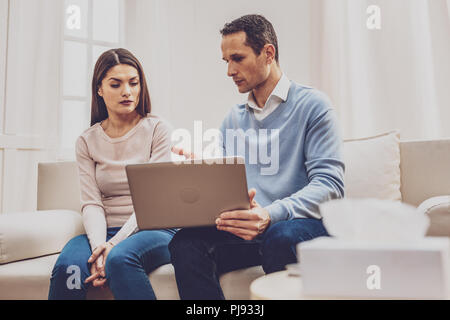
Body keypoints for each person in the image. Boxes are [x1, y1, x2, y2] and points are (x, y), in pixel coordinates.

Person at [169, 14, 345, 300]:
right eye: (226, 61)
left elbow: (330, 187)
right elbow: (230, 186)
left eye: (237, 58)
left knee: (281, 237)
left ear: (268, 53)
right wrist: (202, 177)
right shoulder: (233, 119)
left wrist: (269, 213)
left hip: (302, 224)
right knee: (185, 243)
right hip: (251, 228)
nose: (229, 70)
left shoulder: (314, 106)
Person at [48, 48, 176, 300]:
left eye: (133, 83)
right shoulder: (87, 140)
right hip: (103, 231)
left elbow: (152, 201)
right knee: (68, 268)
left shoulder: (157, 129)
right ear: (99, 89)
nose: (127, 91)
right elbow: (91, 203)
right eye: (116, 84)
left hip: (155, 228)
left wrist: (114, 246)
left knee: (119, 259)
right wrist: (99, 247)